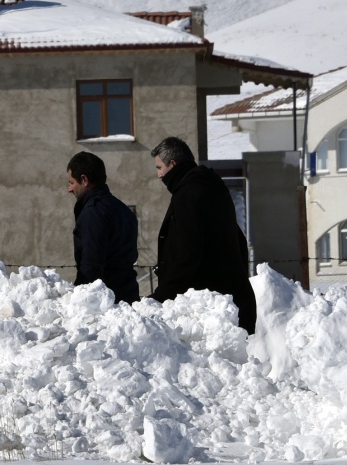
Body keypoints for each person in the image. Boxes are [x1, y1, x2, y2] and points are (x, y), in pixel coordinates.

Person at [149, 136, 256, 333]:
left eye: (159, 168)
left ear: (173, 164)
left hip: (208, 309)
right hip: (232, 299)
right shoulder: (212, 188)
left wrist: (161, 296)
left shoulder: (189, 195)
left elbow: (187, 255)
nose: (159, 175)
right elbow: (238, 240)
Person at [64, 151, 139, 304]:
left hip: (105, 302)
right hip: (129, 295)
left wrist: (79, 301)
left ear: (84, 180)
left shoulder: (93, 213)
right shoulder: (123, 209)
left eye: (72, 182)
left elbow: (91, 265)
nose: (69, 189)